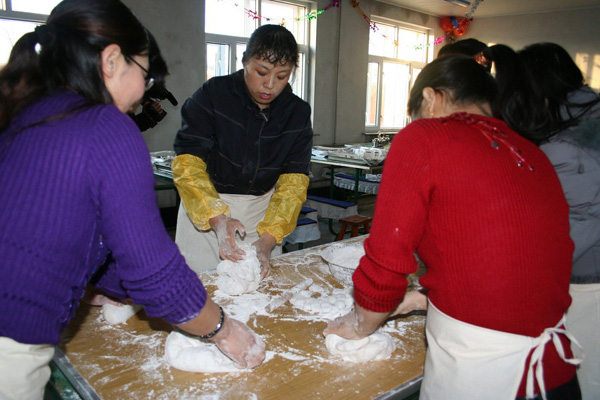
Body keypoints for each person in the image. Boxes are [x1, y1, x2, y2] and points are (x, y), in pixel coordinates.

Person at [0, 1, 264, 398]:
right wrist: (223, 329)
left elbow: (68, 232)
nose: (144, 93)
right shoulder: (106, 127)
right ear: (110, 60)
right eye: (144, 74)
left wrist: (110, 285)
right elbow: (153, 271)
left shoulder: (26, 113)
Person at [324, 55, 582, 399]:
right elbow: (507, 264)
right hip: (555, 374)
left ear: (430, 99)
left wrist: (362, 323)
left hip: (487, 375)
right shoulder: (531, 152)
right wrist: (418, 299)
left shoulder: (425, 136)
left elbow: (387, 259)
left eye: (414, 115)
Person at [493, 42, 600, 400]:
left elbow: (572, 227)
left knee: (584, 370)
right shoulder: (585, 116)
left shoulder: (568, 146)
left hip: (588, 280)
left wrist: (515, 270)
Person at [172, 24, 313, 277]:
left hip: (263, 216)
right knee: (198, 294)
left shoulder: (297, 113)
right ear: (245, 61)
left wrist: (268, 241)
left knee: (257, 296)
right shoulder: (213, 95)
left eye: (282, 76)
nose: (269, 85)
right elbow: (188, 164)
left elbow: (293, 184)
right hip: (205, 208)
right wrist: (217, 219)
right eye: (261, 72)